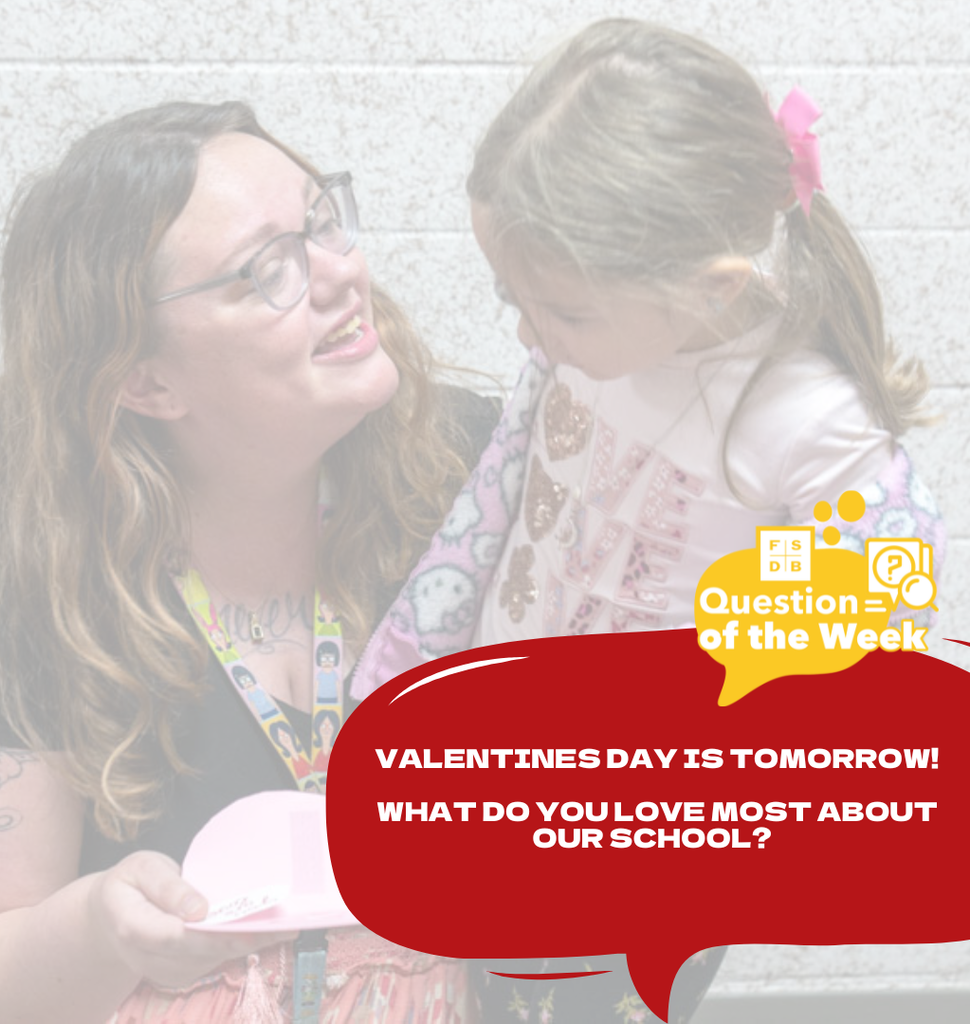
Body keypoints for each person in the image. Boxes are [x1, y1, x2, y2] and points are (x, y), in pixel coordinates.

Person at [352, 18, 945, 1023]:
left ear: (708, 285)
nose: (529, 333)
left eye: (561, 311)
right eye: (512, 296)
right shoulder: (578, 348)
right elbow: (486, 513)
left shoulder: (807, 424)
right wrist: (393, 679)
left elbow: (867, 664)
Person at [0, 100, 495, 1023]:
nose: (338, 275)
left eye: (321, 223)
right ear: (144, 379)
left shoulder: (472, 477)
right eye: (263, 272)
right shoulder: (9, 573)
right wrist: (95, 932)